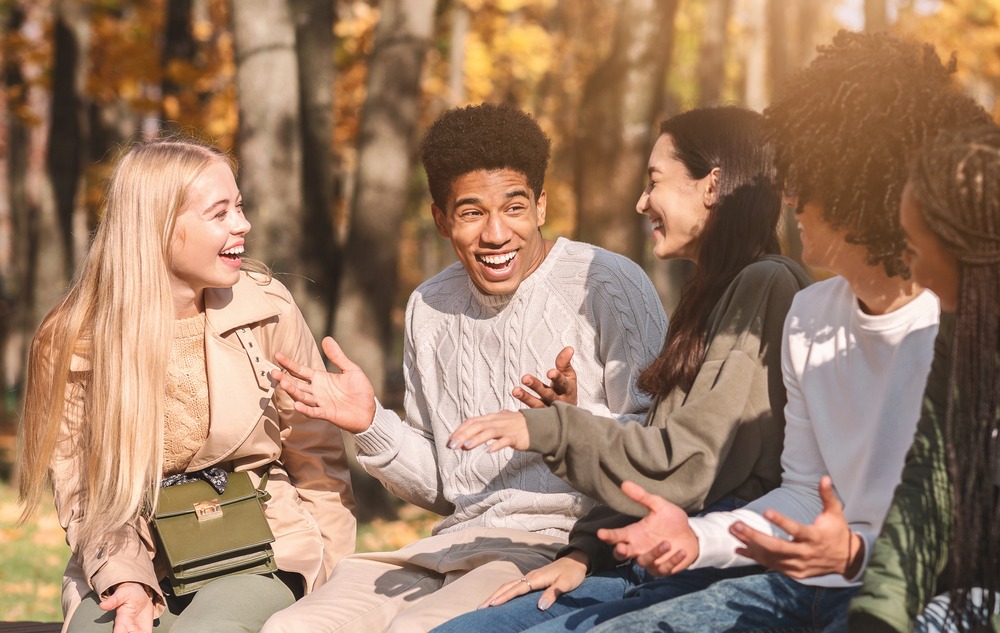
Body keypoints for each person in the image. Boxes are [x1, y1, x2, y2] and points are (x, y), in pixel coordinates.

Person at [562, 31, 992, 633]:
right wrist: (698, 537)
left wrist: (856, 556)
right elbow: (800, 494)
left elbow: (959, 522)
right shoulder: (811, 315)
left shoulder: (961, 332)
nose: (788, 196)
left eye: (807, 179)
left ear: (859, 186)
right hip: (798, 584)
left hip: (915, 591)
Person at [260, 103, 668, 633]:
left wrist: (569, 425)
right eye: (472, 212)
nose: (496, 234)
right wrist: (370, 424)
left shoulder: (609, 283)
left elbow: (660, 447)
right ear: (440, 219)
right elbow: (444, 485)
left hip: (562, 543)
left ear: (541, 206)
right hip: (452, 543)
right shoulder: (428, 307)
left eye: (514, 207)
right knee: (291, 629)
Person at [431, 105, 811, 633]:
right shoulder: (709, 293)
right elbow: (662, 449)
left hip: (707, 563)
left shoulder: (767, 283)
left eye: (654, 181)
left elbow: (690, 462)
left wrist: (547, 428)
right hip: (637, 556)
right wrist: (584, 553)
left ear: (712, 185)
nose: (641, 202)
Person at [15, 137, 357, 633]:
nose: (243, 224)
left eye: (238, 206)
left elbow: (318, 462)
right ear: (156, 227)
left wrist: (334, 588)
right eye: (219, 213)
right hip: (131, 551)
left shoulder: (268, 310)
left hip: (262, 548)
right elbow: (84, 492)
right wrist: (124, 582)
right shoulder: (72, 340)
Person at [848, 126, 1000, 633]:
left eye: (913, 246)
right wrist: (880, 613)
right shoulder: (963, 336)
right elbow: (932, 477)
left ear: (965, 250)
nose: (906, 262)